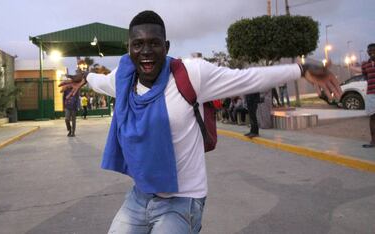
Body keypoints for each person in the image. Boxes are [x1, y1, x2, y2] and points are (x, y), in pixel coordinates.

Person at [59, 10, 341, 233]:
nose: (145, 51)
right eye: (138, 44)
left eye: (154, 44)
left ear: (166, 46)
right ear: (129, 48)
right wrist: (84, 79)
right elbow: (100, 82)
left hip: (183, 200)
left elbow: (246, 79)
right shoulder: (124, 77)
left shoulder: (191, 74)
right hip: (140, 196)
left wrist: (301, 68)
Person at [361, 43, 375, 148]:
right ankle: (373, 141)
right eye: (369, 50)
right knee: (372, 118)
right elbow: (366, 76)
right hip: (371, 94)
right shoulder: (365, 64)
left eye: (373, 50)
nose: (371, 52)